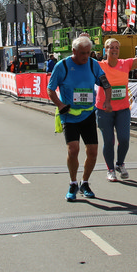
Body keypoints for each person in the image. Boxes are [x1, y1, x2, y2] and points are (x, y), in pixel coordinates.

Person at [48, 36, 110, 201]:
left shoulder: (93, 64)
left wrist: (108, 101)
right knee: (73, 149)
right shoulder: (62, 66)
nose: (86, 56)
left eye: (88, 52)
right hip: (69, 115)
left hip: (88, 114)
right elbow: (50, 90)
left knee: (93, 151)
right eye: (82, 53)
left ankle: (85, 182)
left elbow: (106, 83)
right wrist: (60, 105)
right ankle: (73, 182)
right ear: (74, 51)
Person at [97, 32, 137, 181]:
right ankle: (110, 169)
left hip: (123, 109)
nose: (114, 50)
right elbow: (83, 60)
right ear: (106, 50)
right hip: (104, 109)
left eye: (116, 47)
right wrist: (83, 39)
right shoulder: (99, 66)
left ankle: (120, 164)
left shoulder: (125, 64)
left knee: (124, 139)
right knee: (109, 141)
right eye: (111, 47)